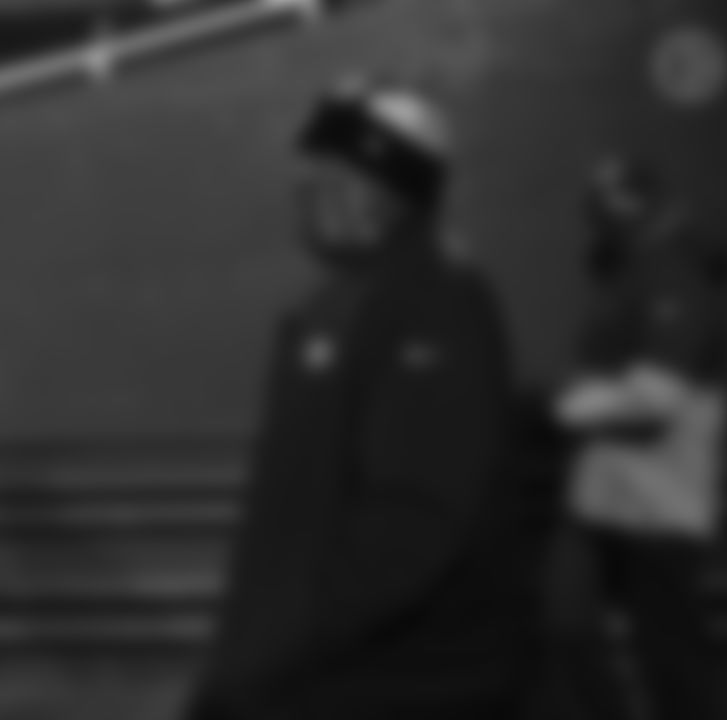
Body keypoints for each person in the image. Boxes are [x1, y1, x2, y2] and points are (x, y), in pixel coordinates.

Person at [185, 75, 537, 720]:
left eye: (333, 171)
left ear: (392, 191)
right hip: (309, 678)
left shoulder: (433, 303)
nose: (309, 187)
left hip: (388, 687)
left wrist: (274, 650)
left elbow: (412, 520)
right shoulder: (345, 304)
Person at [550, 155, 727, 720]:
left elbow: (656, 401)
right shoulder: (630, 274)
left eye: (620, 199)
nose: (609, 215)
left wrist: (569, 408)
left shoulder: (675, 274)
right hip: (606, 499)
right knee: (568, 626)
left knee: (671, 663)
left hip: (660, 507)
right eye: (600, 204)